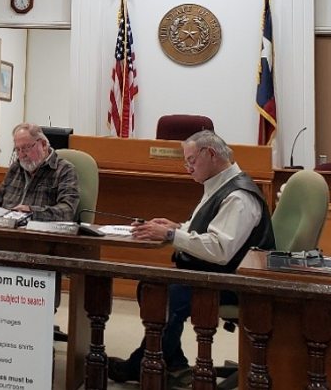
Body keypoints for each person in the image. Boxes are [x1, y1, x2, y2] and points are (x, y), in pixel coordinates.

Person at [108, 130, 275, 387]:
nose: (188, 168)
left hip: (235, 283)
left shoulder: (239, 196)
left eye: (191, 161)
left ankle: (141, 365)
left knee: (167, 296)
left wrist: (172, 234)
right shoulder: (219, 184)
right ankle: (174, 362)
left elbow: (219, 249)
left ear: (211, 154)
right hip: (214, 274)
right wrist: (177, 228)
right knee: (149, 287)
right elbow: (208, 231)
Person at [0, 122, 79, 341]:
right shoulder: (15, 169)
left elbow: (67, 211)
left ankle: (33, 335)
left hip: (43, 246)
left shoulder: (64, 170)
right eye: (17, 150)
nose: (21, 155)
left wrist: (31, 211)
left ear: (42, 144)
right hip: (7, 240)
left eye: (26, 148)